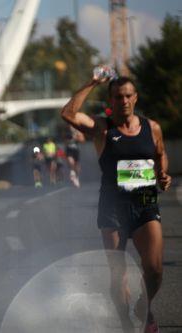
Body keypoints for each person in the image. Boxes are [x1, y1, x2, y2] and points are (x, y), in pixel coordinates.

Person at [61, 74, 171, 333]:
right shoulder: (102, 127)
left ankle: (144, 305)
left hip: (145, 202)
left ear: (135, 98)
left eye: (128, 95)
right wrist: (92, 83)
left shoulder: (151, 127)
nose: (124, 100)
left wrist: (162, 174)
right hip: (113, 207)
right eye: (118, 96)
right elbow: (68, 113)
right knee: (118, 273)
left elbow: (160, 153)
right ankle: (126, 325)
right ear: (110, 100)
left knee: (154, 269)